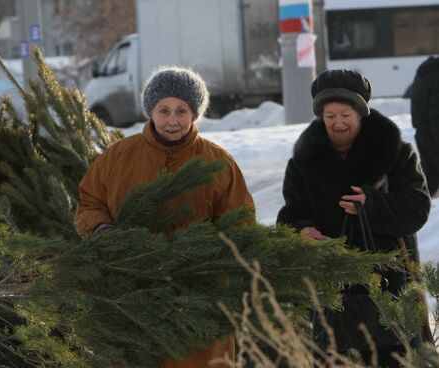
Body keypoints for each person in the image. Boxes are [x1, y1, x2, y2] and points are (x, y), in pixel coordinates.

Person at [74, 66, 255, 367]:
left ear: (195, 113)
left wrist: (212, 257)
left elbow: (240, 220)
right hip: (130, 291)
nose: (173, 120)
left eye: (182, 110)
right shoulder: (117, 157)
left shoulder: (218, 162)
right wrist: (103, 231)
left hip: (200, 297)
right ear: (150, 112)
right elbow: (89, 203)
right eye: (164, 110)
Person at [277, 69, 431, 367]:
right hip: (331, 286)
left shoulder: (397, 155)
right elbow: (292, 211)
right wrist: (303, 229)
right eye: (329, 115)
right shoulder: (302, 162)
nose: (338, 123)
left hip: (391, 284)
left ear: (362, 113)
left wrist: (371, 205)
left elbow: (417, 208)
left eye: (345, 114)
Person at [411, 56, 439, 197]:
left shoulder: (427, 71)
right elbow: (436, 113)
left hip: (422, 132)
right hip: (433, 134)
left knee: (431, 177)